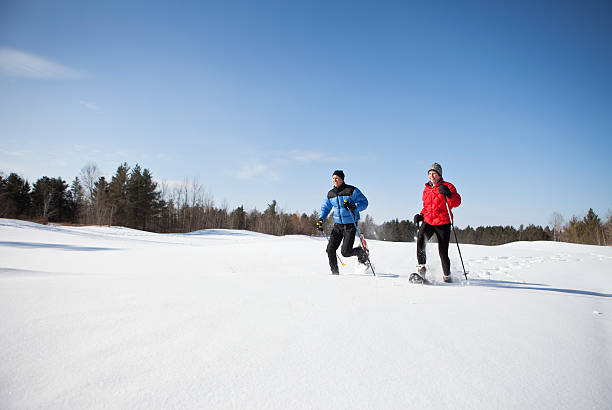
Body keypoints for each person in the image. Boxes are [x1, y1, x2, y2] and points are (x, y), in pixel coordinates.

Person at [413, 163, 461, 283]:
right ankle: (421, 268)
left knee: (443, 252)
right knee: (420, 240)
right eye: (429, 174)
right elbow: (426, 207)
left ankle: (447, 276)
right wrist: (421, 215)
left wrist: (449, 194)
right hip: (428, 221)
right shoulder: (427, 188)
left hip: (443, 222)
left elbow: (457, 202)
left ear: (439, 175)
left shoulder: (448, 186)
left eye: (434, 173)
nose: (431, 176)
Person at [316, 170, 369, 274]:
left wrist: (354, 206)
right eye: (333, 178)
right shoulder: (331, 194)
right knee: (330, 249)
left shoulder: (351, 190)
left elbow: (364, 202)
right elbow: (325, 208)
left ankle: (361, 253)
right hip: (337, 226)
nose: (334, 180)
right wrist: (321, 219)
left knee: (345, 252)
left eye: (337, 178)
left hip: (350, 225)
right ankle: (335, 274)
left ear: (342, 179)